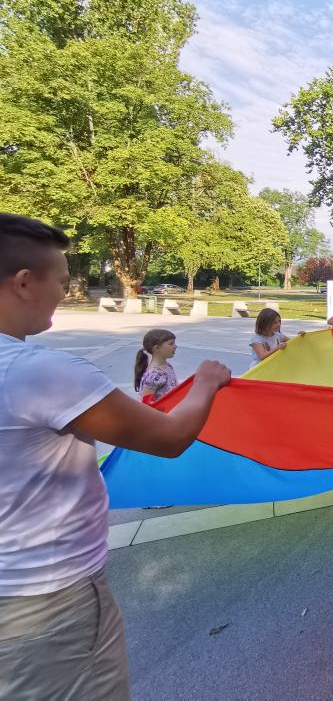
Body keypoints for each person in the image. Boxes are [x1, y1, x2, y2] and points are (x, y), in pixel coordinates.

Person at [0, 213, 231, 700]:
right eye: (61, 281)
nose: (65, 293)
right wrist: (207, 381)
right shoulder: (39, 372)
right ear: (24, 283)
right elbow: (169, 438)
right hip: (45, 601)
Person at [134, 329, 178, 404]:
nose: (175, 346)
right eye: (171, 344)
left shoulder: (168, 366)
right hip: (162, 414)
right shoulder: (153, 374)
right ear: (157, 348)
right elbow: (145, 404)